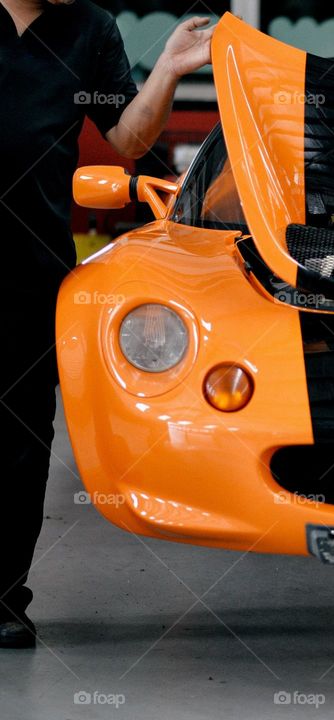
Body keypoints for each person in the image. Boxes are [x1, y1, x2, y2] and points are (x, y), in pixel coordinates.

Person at [0, 0, 212, 649]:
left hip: (31, 268)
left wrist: (168, 69)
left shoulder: (89, 29)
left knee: (20, 438)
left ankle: (4, 596)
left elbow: (126, 141)